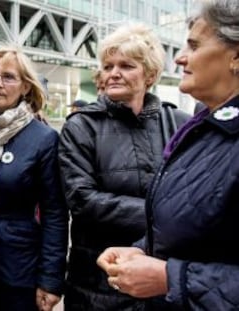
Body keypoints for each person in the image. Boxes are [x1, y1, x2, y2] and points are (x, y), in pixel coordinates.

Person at [97, 1, 239, 310]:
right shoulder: (202, 127)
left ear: (236, 56)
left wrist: (170, 278)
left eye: (194, 45)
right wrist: (143, 252)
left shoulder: (183, 123)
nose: (180, 57)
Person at [58, 23, 190, 311]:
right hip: (98, 284)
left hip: (161, 278)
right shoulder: (82, 126)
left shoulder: (179, 123)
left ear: (150, 75)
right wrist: (163, 215)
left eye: (126, 65)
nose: (113, 73)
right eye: (108, 66)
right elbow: (82, 200)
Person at [0, 46, 68, 311]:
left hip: (16, 269)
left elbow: (55, 213)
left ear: (26, 87)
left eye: (8, 77)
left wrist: (50, 280)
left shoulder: (42, 138)